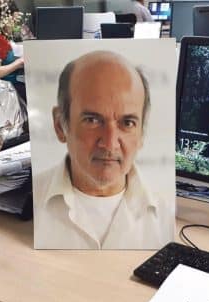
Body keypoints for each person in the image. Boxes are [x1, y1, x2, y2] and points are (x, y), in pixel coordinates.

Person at [33, 51, 174, 249]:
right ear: (60, 126)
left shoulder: (167, 216)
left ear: (142, 133)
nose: (110, 143)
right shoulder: (30, 204)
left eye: (127, 123)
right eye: (92, 120)